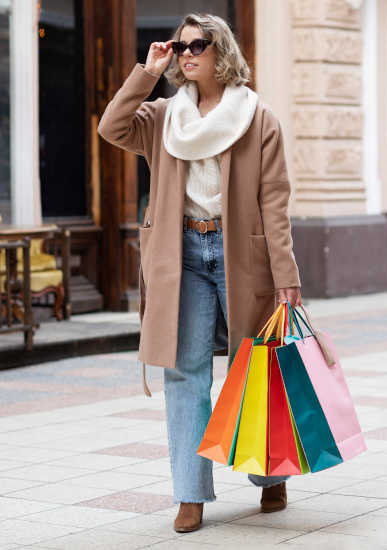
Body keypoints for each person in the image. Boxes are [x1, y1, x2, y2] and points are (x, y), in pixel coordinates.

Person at [97, 13, 302, 533]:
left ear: (221, 50)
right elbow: (112, 126)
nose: (187, 52)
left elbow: (275, 201)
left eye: (198, 44)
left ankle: (266, 474)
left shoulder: (258, 118)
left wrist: (286, 274)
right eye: (181, 45)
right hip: (182, 251)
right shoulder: (165, 116)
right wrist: (147, 71)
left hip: (242, 254)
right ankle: (190, 493)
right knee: (185, 371)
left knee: (251, 368)